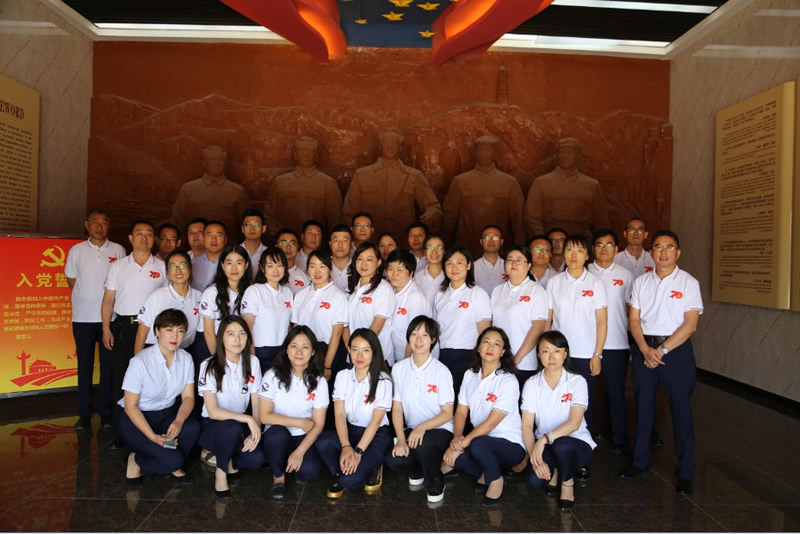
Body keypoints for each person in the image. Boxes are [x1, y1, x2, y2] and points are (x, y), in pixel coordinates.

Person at [619, 230, 702, 495]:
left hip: (675, 352)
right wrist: (645, 349)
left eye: (669, 247)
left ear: (678, 253)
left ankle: (685, 471)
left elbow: (690, 325)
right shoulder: (641, 282)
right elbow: (634, 319)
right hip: (645, 349)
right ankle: (639, 461)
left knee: (681, 412)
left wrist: (661, 351)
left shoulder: (689, 283)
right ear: (651, 252)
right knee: (643, 408)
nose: (663, 252)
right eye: (658, 247)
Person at [441, 327, 525, 506]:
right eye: (486, 342)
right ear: (479, 347)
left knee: (478, 444)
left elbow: (490, 424)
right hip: (480, 440)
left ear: (503, 352)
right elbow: (461, 412)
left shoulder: (508, 381)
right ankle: (488, 470)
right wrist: (457, 438)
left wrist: (462, 443)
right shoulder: (470, 375)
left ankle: (495, 479)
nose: (490, 347)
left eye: (497, 344)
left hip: (509, 444)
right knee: (456, 459)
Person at [101, 220, 166, 439]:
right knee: (122, 379)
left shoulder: (162, 266)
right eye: (139, 233)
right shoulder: (118, 266)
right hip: (124, 328)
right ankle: (121, 433)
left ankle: (149, 429)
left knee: (151, 379)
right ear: (130, 238)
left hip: (153, 332)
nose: (144, 238)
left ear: (154, 239)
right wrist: (106, 328)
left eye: (149, 234)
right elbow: (108, 300)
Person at [119, 309, 200, 484]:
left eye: (180, 331)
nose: (175, 336)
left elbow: (188, 398)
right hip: (137, 420)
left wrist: (178, 421)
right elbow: (130, 407)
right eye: (169, 330)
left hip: (166, 416)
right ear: (157, 331)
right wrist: (152, 437)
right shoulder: (140, 362)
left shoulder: (186, 359)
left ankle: (169, 460)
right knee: (173, 460)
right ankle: (137, 460)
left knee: (192, 428)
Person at [65, 209, 126, 430]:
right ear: (87, 225)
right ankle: (84, 414)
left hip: (110, 319)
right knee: (85, 366)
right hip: (83, 318)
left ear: (109, 226)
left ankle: (106, 412)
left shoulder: (118, 250)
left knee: (108, 368)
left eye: (104, 222)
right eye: (95, 222)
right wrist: (89, 296)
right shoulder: (76, 251)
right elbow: (71, 280)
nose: (99, 226)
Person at [522, 330, 596, 510]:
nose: (551, 357)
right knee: (534, 480)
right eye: (545, 351)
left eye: (557, 351)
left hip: (576, 443)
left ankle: (567, 482)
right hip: (546, 445)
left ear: (565, 354)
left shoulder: (577, 382)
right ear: (538, 354)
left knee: (562, 446)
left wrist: (544, 439)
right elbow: (526, 426)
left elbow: (574, 423)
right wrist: (535, 458)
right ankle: (554, 469)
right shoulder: (532, 384)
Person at [316, 328, 393, 498]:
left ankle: (372, 466)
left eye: (366, 350)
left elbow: (375, 421)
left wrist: (357, 452)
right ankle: (339, 472)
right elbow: (340, 415)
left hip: (375, 435)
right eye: (355, 349)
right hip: (350, 431)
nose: (359, 355)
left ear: (374, 352)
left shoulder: (383, 381)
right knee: (323, 442)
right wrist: (346, 446)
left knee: (351, 482)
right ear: (349, 350)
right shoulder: (343, 376)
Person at [385, 316, 454, 503]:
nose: (418, 339)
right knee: (393, 459)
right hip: (412, 429)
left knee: (422, 445)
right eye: (414, 334)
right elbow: (397, 408)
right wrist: (401, 439)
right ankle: (417, 472)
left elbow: (447, 413)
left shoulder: (441, 371)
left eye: (424, 335)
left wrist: (422, 427)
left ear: (433, 339)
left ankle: (435, 481)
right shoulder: (399, 369)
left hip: (440, 428)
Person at [546, 234, 607, 443]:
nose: (574, 255)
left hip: (585, 353)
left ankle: (582, 446)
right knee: (557, 400)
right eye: (570, 249)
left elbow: (602, 322)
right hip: (558, 353)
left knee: (582, 402)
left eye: (580, 250)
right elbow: (548, 319)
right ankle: (555, 443)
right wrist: (544, 351)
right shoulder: (554, 282)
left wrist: (597, 354)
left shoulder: (596, 283)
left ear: (587, 256)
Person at [259, 326, 329, 500]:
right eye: (294, 346)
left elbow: (319, 424)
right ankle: (278, 476)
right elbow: (265, 416)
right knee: (277, 436)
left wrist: (299, 452)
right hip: (278, 432)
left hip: (303, 435)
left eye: (305, 347)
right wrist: (300, 422)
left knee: (310, 471)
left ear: (313, 352)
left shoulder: (319, 381)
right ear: (286, 350)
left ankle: (290, 459)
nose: (299, 352)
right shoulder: (272, 376)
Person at [197, 316, 264, 498]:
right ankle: (221, 471)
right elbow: (213, 411)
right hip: (214, 426)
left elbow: (256, 401)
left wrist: (255, 430)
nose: (237, 339)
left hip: (240, 424)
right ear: (221, 338)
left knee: (257, 459)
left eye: (242, 334)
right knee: (231, 428)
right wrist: (248, 419)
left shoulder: (253, 362)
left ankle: (224, 456)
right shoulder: (208, 365)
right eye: (231, 334)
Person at [343, 127, 442, 238]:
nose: (390, 147)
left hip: (402, 241)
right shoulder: (362, 175)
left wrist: (430, 215)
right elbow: (349, 212)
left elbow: (433, 207)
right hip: (371, 242)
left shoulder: (414, 176)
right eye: (386, 143)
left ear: (400, 148)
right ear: (380, 147)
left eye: (394, 143)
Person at [586, 229, 634, 452]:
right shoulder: (584, 272)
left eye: (608, 244)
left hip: (616, 343)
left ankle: (619, 438)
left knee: (616, 392)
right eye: (599, 244)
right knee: (585, 393)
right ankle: (584, 437)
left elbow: (630, 309)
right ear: (592, 249)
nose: (604, 248)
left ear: (616, 249)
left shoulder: (626, 275)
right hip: (586, 344)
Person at [441, 135, 525, 259]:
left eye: (488, 151)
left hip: (499, 252)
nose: (484, 154)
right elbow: (449, 219)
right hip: (467, 251)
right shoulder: (460, 182)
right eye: (481, 150)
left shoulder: (509, 183)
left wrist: (520, 251)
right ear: (475, 153)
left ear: (494, 154)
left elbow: (518, 220)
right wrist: (445, 248)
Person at [433, 247, 491, 396]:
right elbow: (437, 329)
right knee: (443, 397)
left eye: (459, 262)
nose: (454, 267)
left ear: (469, 265)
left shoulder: (478, 294)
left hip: (467, 355)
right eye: (449, 263)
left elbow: (484, 333)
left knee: (460, 398)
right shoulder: (440, 295)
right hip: (443, 354)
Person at [525, 137, 610, 238]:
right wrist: (543, 242)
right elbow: (532, 219)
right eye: (562, 153)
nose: (565, 156)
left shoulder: (592, 185)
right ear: (557, 156)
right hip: (551, 241)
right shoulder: (541, 183)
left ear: (578, 156)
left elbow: (601, 222)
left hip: (582, 241)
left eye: (569, 153)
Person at [490, 246, 548, 388]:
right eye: (510, 260)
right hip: (498, 360)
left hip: (523, 363)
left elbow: (538, 327)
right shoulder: (497, 290)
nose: (514, 263)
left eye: (519, 260)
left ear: (529, 265)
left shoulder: (536, 290)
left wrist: (517, 358)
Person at [171, 145, 250, 243]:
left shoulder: (238, 191)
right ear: (204, 163)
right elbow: (177, 222)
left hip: (228, 249)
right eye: (212, 159)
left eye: (220, 160)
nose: (216, 163)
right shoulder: (188, 189)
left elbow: (246, 227)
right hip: (195, 248)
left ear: (225, 163)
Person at [264, 136, 342, 234]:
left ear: (316, 155)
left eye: (310, 151)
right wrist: (278, 236)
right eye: (302, 150)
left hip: (317, 243)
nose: (306, 154)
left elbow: (335, 219)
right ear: (295, 155)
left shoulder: (328, 183)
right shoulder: (280, 182)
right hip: (286, 242)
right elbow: (269, 215)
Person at [291, 249, 348, 382]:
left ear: (330, 269)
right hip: (302, 351)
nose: (317, 271)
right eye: (312, 266)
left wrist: (327, 365)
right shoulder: (301, 295)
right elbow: (296, 327)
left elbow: (337, 333)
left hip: (326, 351)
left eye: (322, 266)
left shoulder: (338, 296)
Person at [134, 251, 202, 356]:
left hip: (184, 352)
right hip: (155, 350)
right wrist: (137, 361)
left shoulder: (199, 297)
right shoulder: (157, 297)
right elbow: (141, 334)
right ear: (168, 272)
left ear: (191, 268)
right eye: (173, 267)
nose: (178, 271)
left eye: (183, 266)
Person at [196, 245, 252, 371]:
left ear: (246, 265)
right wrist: (219, 360)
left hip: (236, 344)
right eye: (229, 263)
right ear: (222, 266)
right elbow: (208, 332)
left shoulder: (250, 291)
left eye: (239, 263)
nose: (234, 268)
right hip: (210, 344)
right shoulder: (212, 292)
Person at [242, 247, 293, 371]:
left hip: (283, 352)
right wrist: (251, 357)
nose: (275, 270)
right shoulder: (254, 291)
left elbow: (289, 326)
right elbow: (247, 327)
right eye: (270, 266)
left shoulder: (287, 292)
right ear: (262, 268)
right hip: (260, 351)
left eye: (279, 265)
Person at [345, 242, 396, 364]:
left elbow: (378, 324)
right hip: (354, 356)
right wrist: (351, 348)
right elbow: (345, 324)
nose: (363, 264)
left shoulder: (383, 288)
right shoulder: (352, 288)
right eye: (360, 259)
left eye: (369, 259)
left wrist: (361, 349)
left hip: (375, 356)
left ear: (378, 262)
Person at [385, 250, 431, 363]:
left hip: (414, 357)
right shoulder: (390, 291)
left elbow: (415, 335)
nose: (394, 274)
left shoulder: (415, 297)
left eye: (400, 270)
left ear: (411, 273)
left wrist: (406, 365)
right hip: (395, 355)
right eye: (390, 269)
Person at [191, 221, 228, 292]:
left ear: (225, 240)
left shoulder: (232, 265)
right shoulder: (192, 264)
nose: (214, 240)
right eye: (209, 235)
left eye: (219, 235)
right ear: (203, 239)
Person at [275, 228, 311, 295]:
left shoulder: (306, 279)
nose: (288, 247)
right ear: (276, 246)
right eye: (283, 243)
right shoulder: (268, 275)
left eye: (292, 243)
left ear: (298, 247)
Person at [473, 225, 506, 296]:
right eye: (487, 237)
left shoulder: (508, 266)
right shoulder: (472, 267)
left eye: (495, 237)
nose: (491, 241)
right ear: (481, 242)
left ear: (501, 241)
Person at [415, 234, 445, 310]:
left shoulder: (451, 277)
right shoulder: (415, 278)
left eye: (439, 247)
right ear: (424, 252)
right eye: (430, 248)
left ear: (444, 251)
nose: (434, 252)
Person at [240, 209, 267, 279]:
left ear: (263, 228)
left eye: (257, 224)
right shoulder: (233, 252)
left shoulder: (269, 253)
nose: (252, 228)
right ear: (242, 228)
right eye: (247, 224)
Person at [329, 224, 353, 293]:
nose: (340, 245)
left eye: (345, 240)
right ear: (330, 243)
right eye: (336, 240)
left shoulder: (358, 268)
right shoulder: (322, 267)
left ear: (351, 244)